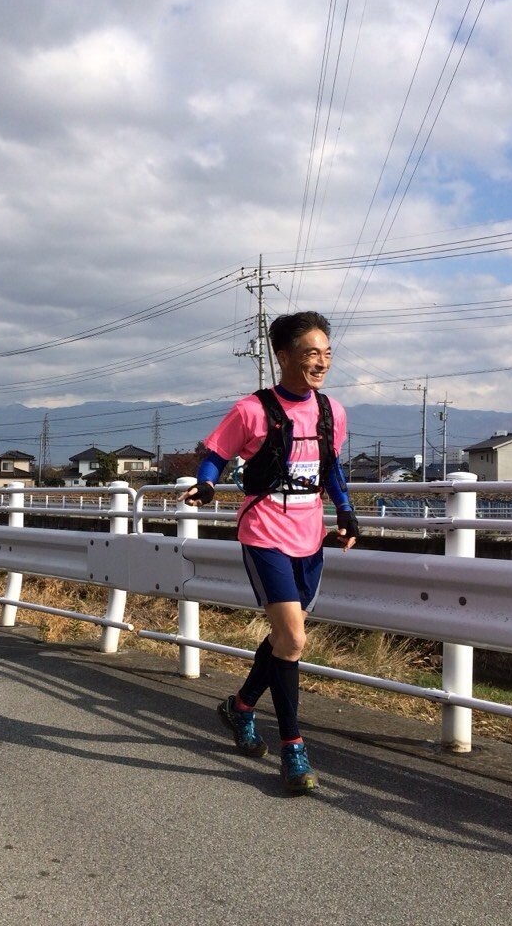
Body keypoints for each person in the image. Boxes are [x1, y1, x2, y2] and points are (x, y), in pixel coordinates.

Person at [182, 311, 359, 795]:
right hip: (263, 530)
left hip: (309, 533)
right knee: (295, 640)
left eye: (326, 353)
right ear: (283, 357)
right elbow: (216, 455)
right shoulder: (252, 410)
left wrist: (345, 512)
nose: (321, 362)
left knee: (287, 639)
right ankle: (293, 749)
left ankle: (240, 706)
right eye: (310, 353)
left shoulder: (332, 412)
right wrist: (205, 484)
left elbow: (331, 468)